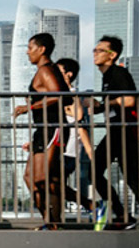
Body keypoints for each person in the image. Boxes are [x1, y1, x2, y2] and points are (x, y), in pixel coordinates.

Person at [92, 36, 139, 230]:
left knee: (129, 177)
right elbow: (113, 103)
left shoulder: (118, 73)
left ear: (112, 55)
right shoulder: (107, 76)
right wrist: (96, 106)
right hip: (116, 130)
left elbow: (129, 100)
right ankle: (125, 215)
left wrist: (102, 103)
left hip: (125, 131)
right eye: (94, 50)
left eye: (100, 50)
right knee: (96, 171)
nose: (95, 54)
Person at [11, 33, 70, 228]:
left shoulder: (46, 71)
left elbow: (60, 95)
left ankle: (53, 223)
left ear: (41, 49)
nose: (27, 52)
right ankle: (50, 220)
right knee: (31, 177)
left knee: (42, 178)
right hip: (42, 129)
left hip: (52, 127)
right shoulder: (45, 71)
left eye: (30, 48)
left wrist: (29, 107)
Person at [55, 57, 97, 225]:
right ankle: (55, 221)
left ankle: (91, 205)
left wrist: (89, 151)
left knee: (54, 185)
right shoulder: (61, 95)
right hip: (59, 148)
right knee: (54, 186)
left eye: (58, 72)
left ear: (69, 74)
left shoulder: (71, 94)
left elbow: (78, 116)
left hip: (68, 151)